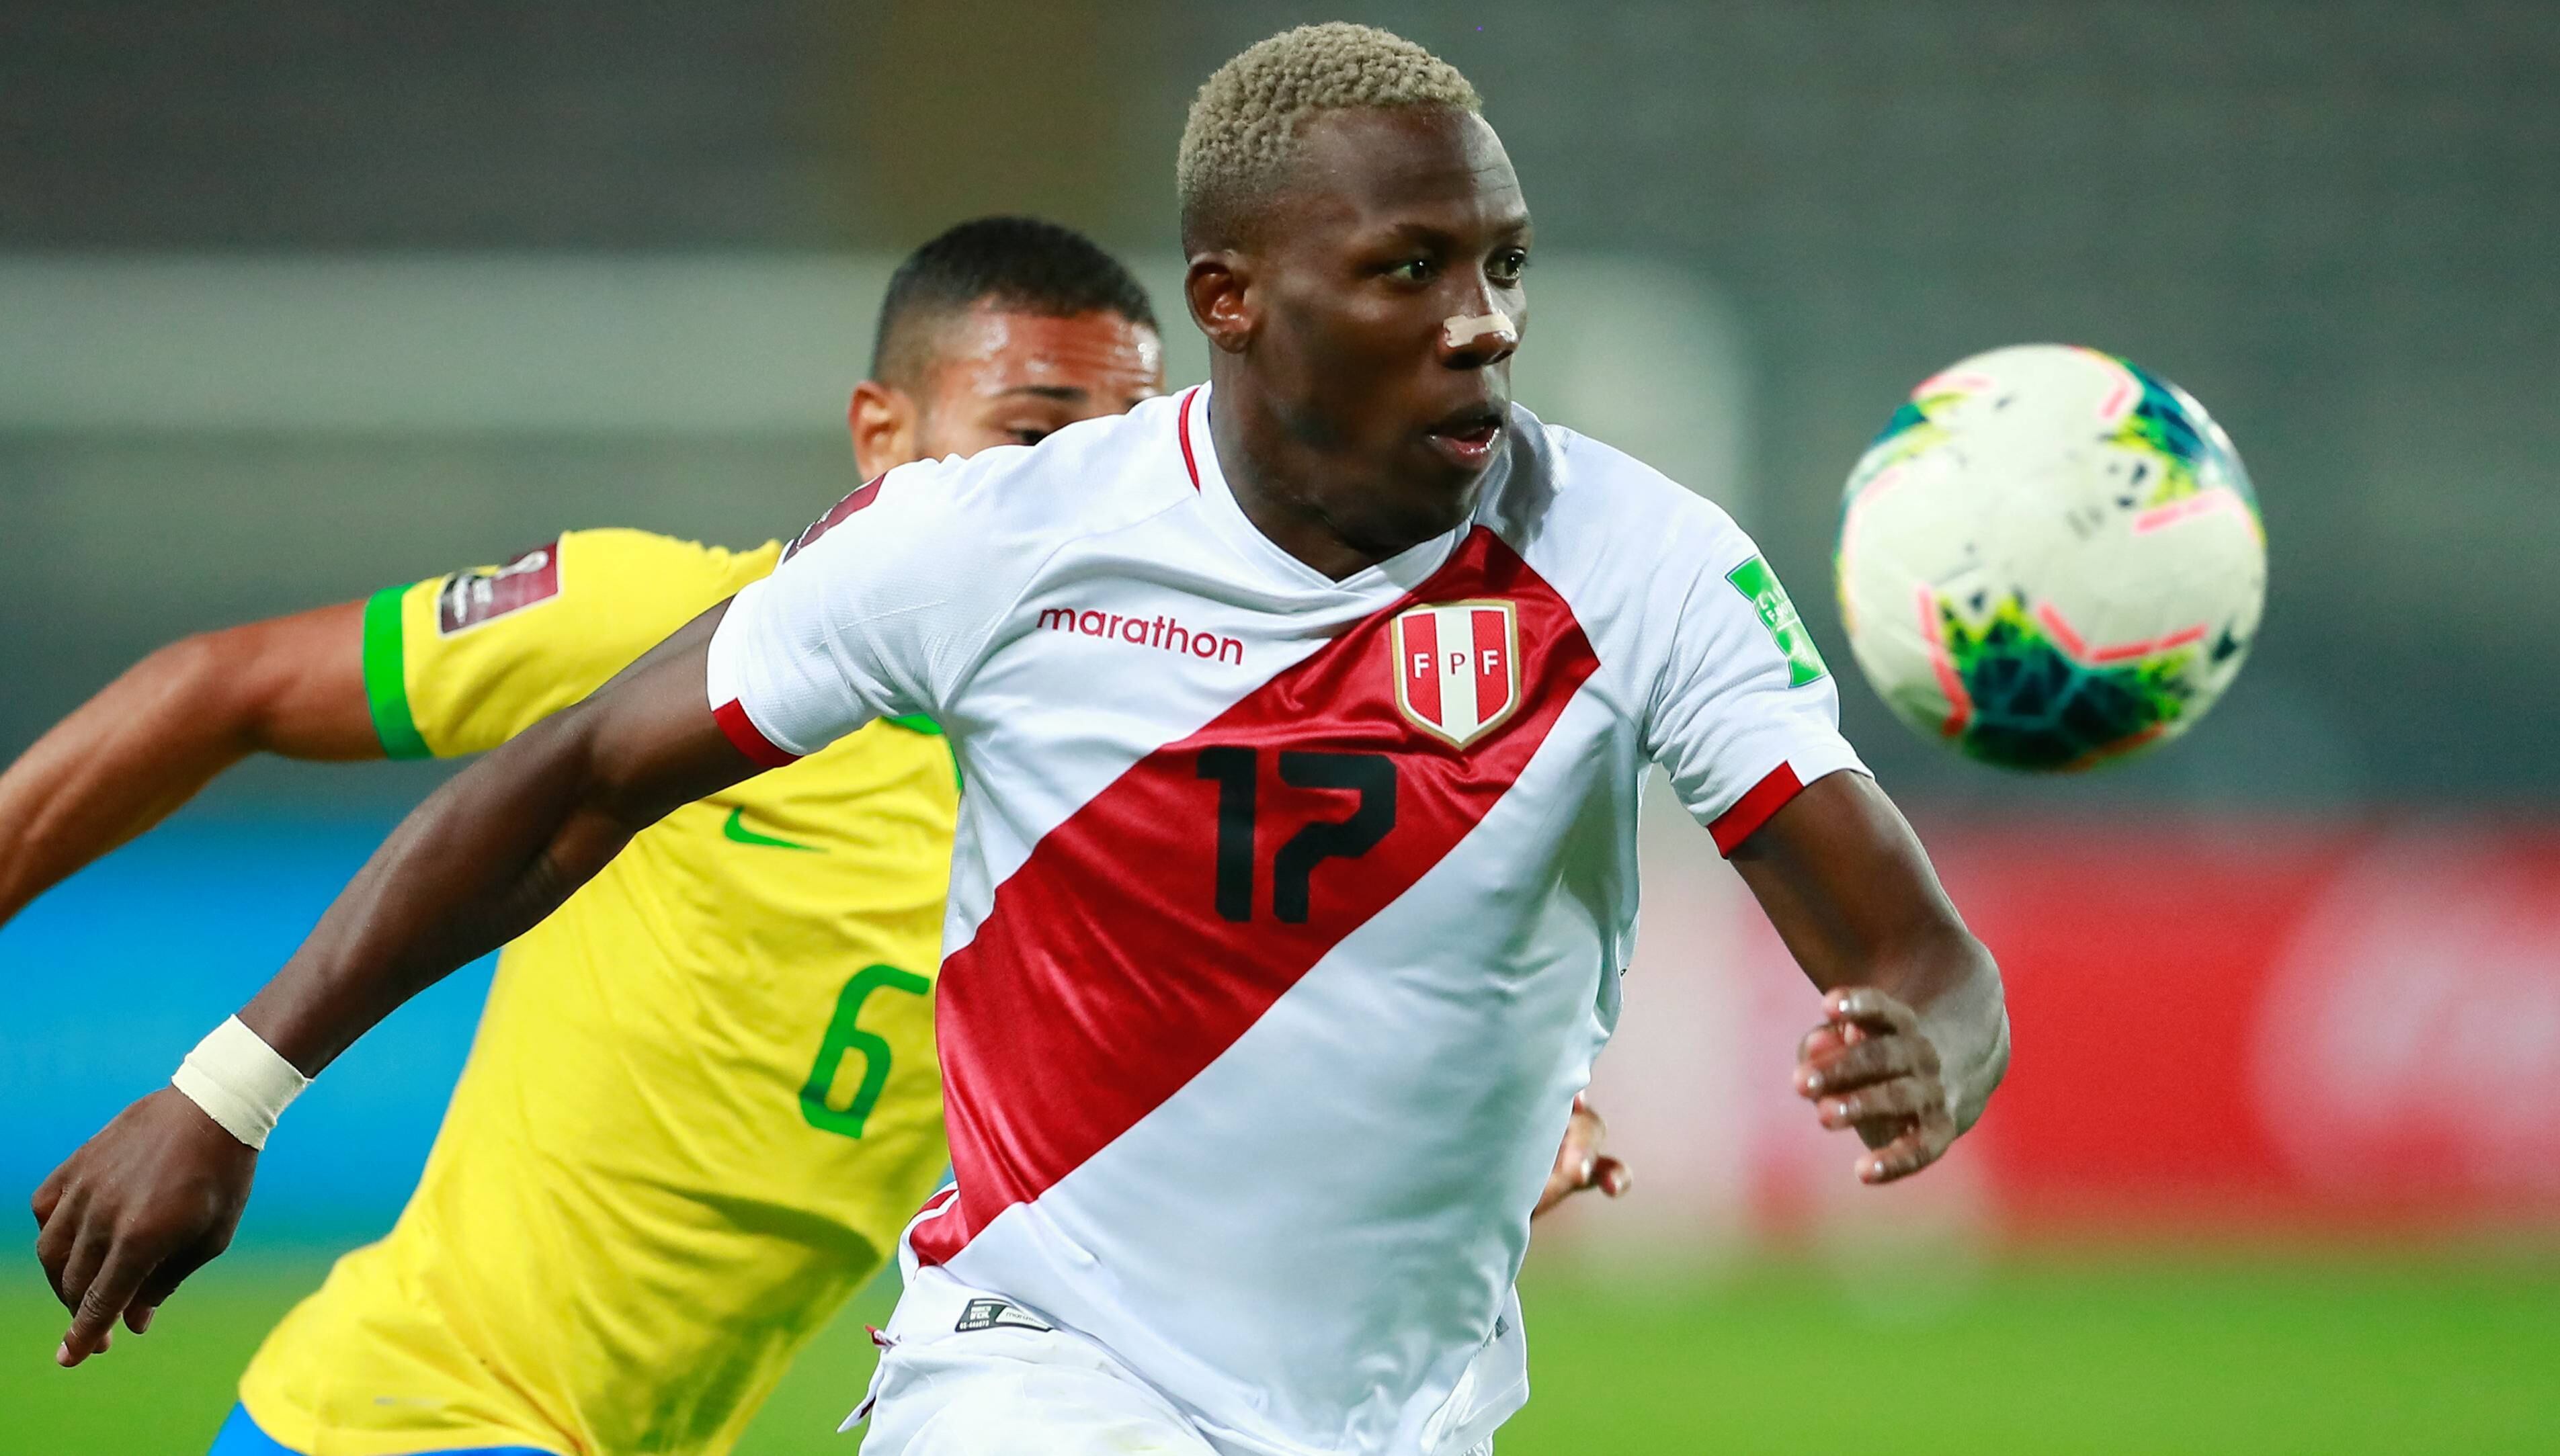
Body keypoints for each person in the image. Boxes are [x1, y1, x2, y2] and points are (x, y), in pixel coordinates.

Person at [33, 24, 1999, 1456]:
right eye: (1413, 271)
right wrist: (232, 1092)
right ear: (1236, 306)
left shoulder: (1633, 561)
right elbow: (531, 779)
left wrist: (1915, 1031)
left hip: (1397, 1410)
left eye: (1501, 269)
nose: (1482, 322)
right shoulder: (938, 569)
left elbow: (1894, 940)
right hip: (945, 1389)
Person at [3, 218, 1170, 1455]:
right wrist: (224, 1095)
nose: (1074, 502)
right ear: (884, 436)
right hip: (413, 1419)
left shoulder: (1130, 783)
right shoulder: (670, 632)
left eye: (1120, 457)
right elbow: (220, 687)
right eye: (1034, 438)